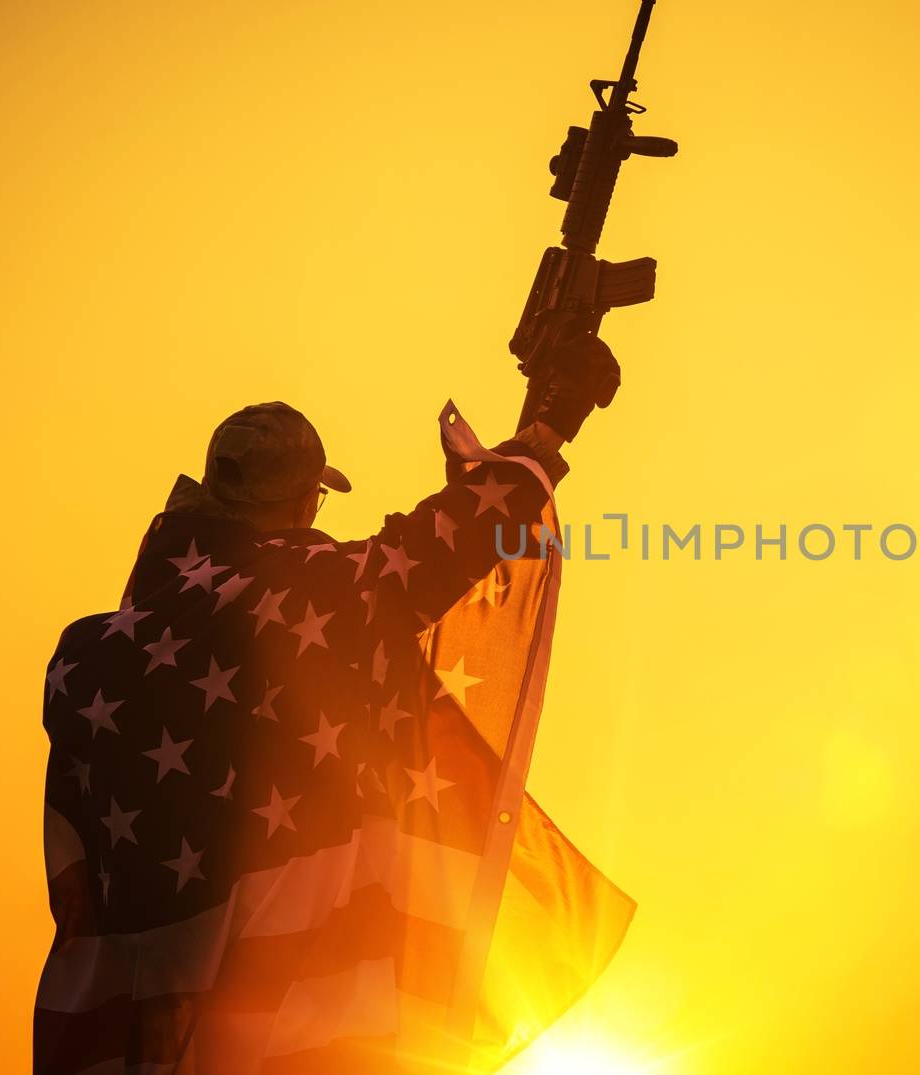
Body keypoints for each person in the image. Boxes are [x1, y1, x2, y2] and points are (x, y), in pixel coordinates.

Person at [34, 340, 635, 1074]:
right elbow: (423, 557)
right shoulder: (296, 595)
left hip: (136, 1037)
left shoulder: (84, 657)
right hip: (265, 1033)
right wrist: (548, 429)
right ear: (297, 502)